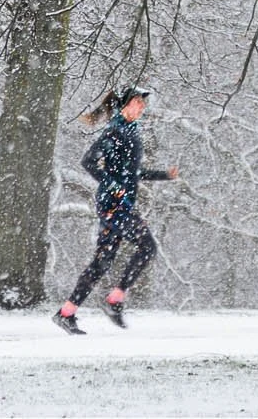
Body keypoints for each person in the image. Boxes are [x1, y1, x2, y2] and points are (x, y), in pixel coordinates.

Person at [53, 86, 178, 334]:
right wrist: (113, 186)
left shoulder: (130, 132)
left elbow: (130, 173)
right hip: (114, 206)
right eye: (137, 102)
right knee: (147, 247)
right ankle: (114, 300)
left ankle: (66, 313)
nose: (142, 107)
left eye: (143, 103)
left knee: (102, 263)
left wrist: (163, 175)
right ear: (124, 105)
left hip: (118, 205)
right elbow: (88, 161)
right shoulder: (116, 132)